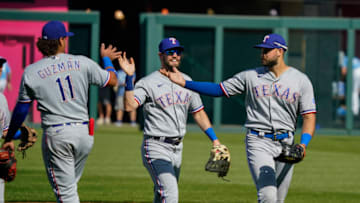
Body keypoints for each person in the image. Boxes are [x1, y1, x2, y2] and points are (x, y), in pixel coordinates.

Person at [167, 33, 317, 203]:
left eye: (267, 50)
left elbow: (309, 116)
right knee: (268, 195)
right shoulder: (250, 76)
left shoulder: (300, 80)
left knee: (278, 200)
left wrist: (303, 145)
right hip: (258, 141)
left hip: (286, 142)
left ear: (280, 51)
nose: (262, 54)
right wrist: (185, 83)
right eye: (261, 50)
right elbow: (219, 90)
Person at [1, 20, 120, 203]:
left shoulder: (32, 72)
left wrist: (9, 137)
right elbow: (112, 80)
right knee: (69, 188)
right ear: (62, 40)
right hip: (84, 135)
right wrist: (106, 59)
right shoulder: (82, 62)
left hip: (58, 135)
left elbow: (21, 109)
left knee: (66, 195)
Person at [118, 37, 224, 203]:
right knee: (171, 194)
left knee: (161, 195)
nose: (175, 55)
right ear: (161, 55)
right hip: (155, 146)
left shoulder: (187, 81)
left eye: (178, 52)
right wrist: (129, 79)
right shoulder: (148, 82)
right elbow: (130, 106)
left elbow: (198, 113)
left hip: (177, 148)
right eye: (170, 52)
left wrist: (215, 139)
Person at [339, 52, 360, 116]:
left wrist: (341, 79)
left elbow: (343, 71)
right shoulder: (355, 58)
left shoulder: (345, 58)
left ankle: (354, 111)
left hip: (355, 72)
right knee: (356, 91)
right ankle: (355, 110)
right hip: (358, 72)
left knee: (353, 92)